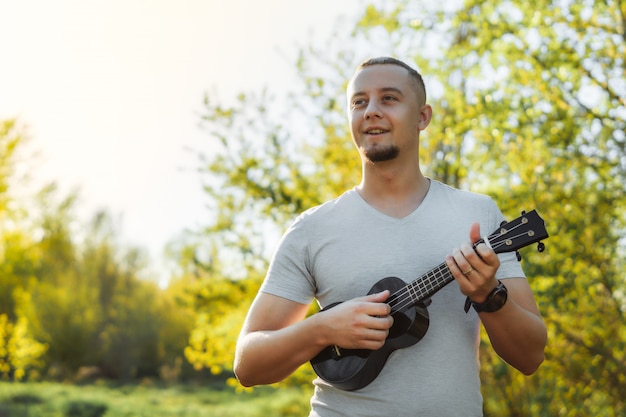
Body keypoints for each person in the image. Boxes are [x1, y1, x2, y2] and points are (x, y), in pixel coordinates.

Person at [233, 56, 547, 416]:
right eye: (359, 102)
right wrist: (321, 329)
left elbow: (531, 356)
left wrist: (488, 295)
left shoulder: (477, 215)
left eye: (389, 98)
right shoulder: (311, 228)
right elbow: (247, 364)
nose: (371, 111)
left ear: (422, 117)